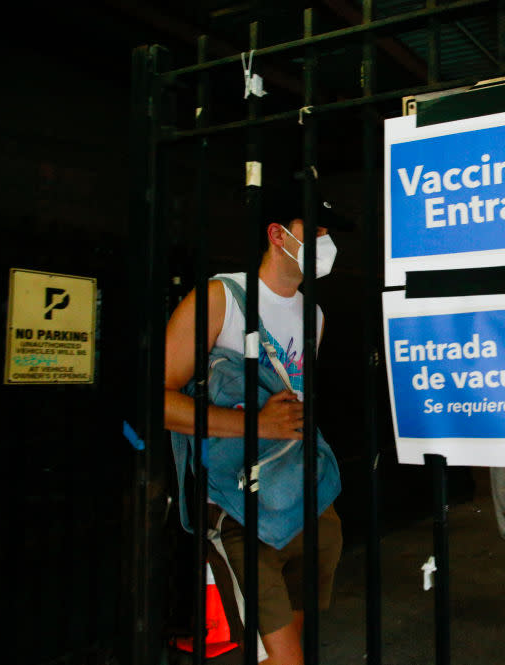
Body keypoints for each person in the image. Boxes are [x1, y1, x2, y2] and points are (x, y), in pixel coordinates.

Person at [164, 186, 347, 665]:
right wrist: (258, 425)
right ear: (277, 235)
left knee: (281, 653)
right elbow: (155, 400)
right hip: (237, 505)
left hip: (303, 500)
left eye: (331, 231)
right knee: (284, 660)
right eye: (317, 230)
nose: (327, 241)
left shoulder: (316, 316)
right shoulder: (221, 297)